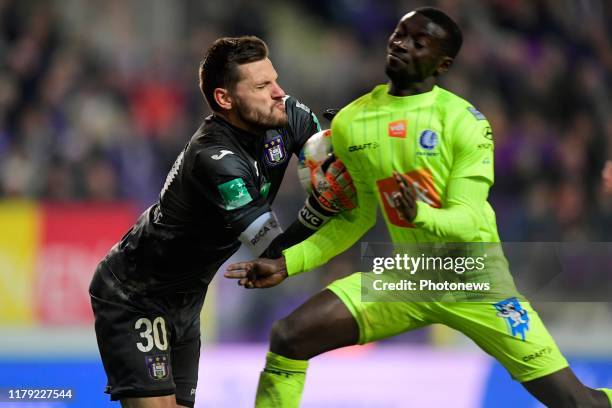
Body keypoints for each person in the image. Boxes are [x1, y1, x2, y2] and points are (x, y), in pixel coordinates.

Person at [225, 9, 612, 407]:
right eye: (399, 33)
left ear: (442, 64)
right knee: (290, 335)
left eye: (418, 41)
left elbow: (467, 219)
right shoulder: (353, 121)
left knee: (578, 404)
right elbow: (355, 219)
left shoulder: (465, 122)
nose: (401, 43)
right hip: (408, 277)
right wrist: (289, 263)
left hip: (474, 279)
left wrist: (420, 215)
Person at [89, 36, 355, 408]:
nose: (279, 92)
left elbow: (326, 158)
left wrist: (353, 142)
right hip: (135, 294)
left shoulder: (289, 114)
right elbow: (272, 248)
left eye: (275, 80)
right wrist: (321, 209)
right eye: (262, 86)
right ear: (225, 99)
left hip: (188, 301)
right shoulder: (214, 158)